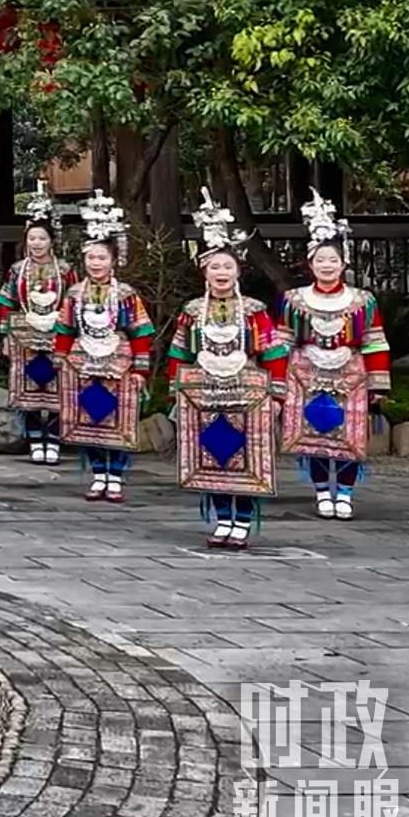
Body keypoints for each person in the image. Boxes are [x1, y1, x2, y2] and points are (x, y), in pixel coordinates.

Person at [173, 192, 289, 550]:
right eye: (214, 267)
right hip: (204, 394)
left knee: (246, 454)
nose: (221, 273)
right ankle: (222, 517)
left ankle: (243, 520)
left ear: (238, 271)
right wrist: (177, 391)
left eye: (227, 267)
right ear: (204, 272)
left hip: (247, 394)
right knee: (213, 451)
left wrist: (277, 393)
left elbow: (274, 352)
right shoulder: (192, 311)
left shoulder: (254, 311)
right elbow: (180, 353)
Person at [284, 189, 388, 522]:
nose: (326, 266)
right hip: (306, 374)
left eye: (333, 260)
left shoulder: (362, 300)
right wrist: (275, 382)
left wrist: (378, 383)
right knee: (314, 433)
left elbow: (374, 341)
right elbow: (282, 341)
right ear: (310, 264)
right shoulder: (294, 300)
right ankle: (320, 492)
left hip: (350, 374)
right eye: (320, 261)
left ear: (343, 264)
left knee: (349, 434)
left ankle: (344, 493)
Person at [54, 191, 156, 505]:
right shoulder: (74, 293)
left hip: (119, 363)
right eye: (91, 258)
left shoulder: (125, 294)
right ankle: (98, 473)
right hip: (82, 362)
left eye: (102, 258)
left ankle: (116, 474)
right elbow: (64, 329)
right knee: (89, 419)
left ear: (113, 260)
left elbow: (141, 332)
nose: (96, 263)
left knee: (118, 418)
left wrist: (140, 369)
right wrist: (61, 362)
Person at [0, 190, 72, 466]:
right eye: (32, 239)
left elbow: (73, 302)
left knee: (56, 386)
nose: (37, 243)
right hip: (25, 336)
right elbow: (6, 302)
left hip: (57, 335)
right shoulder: (18, 269)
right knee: (29, 387)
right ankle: (35, 437)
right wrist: (6, 335)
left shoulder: (65, 270)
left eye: (42, 238)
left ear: (52, 241)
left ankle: (54, 438)